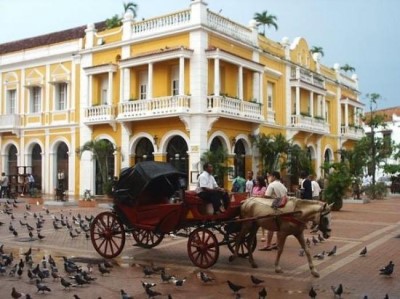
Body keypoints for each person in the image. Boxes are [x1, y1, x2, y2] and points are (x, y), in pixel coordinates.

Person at [259, 171, 287, 251]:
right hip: (283, 207)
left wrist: (260, 196)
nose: (268, 178)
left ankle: (268, 244)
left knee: (270, 227)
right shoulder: (282, 185)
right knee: (278, 227)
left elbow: (267, 196)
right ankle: (278, 243)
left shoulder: (272, 185)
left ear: (274, 177)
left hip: (274, 207)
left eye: (269, 176)